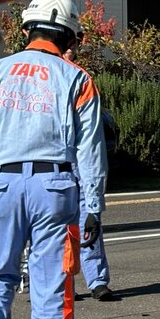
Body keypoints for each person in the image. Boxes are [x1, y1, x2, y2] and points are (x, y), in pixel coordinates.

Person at [0, 0, 107, 319]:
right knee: (52, 284)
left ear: (25, 31)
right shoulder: (76, 78)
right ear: (70, 35)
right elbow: (90, 149)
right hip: (54, 187)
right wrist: (94, 206)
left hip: (0, 183)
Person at [64, 36, 116, 302]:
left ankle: (97, 280)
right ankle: (63, 281)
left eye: (75, 44)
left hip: (80, 160)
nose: (73, 48)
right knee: (57, 227)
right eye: (69, 43)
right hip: (57, 163)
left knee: (89, 220)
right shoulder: (52, 76)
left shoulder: (80, 79)